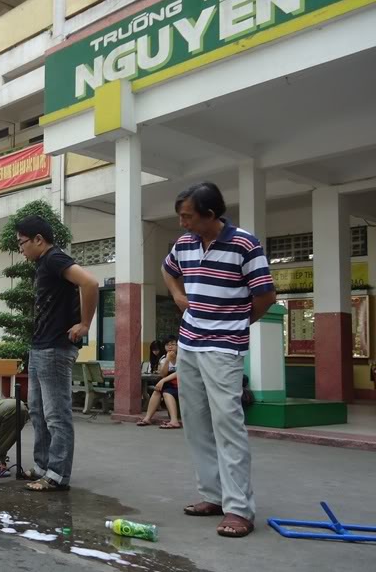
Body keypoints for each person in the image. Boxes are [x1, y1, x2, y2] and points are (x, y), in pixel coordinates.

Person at [163, 182, 275, 538]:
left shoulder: (244, 244)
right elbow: (169, 269)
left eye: (188, 216)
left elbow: (265, 296)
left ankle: (239, 509)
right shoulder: (184, 244)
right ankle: (212, 495)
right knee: (195, 422)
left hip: (224, 347)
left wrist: (235, 324)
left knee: (228, 423)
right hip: (190, 345)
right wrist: (179, 296)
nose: (182, 223)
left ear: (211, 215)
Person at [16, 215, 98, 493]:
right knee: (37, 411)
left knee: (56, 414)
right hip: (39, 346)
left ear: (39, 239)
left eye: (22, 243)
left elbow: (90, 283)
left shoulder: (54, 258)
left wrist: (84, 324)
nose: (21, 249)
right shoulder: (42, 264)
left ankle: (57, 474)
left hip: (55, 348)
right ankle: (42, 466)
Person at [137, 336, 181, 428]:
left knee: (165, 392)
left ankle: (174, 421)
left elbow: (180, 372)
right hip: (171, 383)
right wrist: (168, 360)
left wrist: (163, 380)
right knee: (157, 390)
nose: (170, 347)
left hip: (182, 384)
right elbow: (163, 374)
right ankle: (147, 418)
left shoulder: (182, 357)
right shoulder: (163, 358)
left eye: (173, 344)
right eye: (167, 345)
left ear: (178, 346)